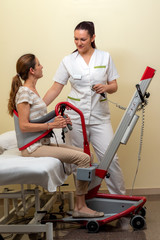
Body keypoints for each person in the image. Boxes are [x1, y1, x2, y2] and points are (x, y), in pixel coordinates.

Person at [8, 53, 104, 218]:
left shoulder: (32, 91)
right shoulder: (24, 93)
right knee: (83, 159)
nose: (41, 67)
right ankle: (80, 207)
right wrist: (51, 125)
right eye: (39, 65)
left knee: (86, 154)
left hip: (41, 144)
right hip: (32, 148)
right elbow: (24, 126)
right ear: (32, 70)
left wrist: (57, 116)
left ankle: (83, 202)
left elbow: (36, 118)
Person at [43, 21, 126, 195]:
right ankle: (84, 203)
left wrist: (106, 88)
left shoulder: (105, 57)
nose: (79, 43)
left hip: (100, 118)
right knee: (80, 161)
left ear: (93, 38)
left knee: (111, 159)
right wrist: (39, 108)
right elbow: (55, 88)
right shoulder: (68, 61)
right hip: (75, 119)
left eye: (83, 39)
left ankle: (121, 205)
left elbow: (114, 85)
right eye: (75, 39)